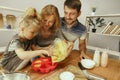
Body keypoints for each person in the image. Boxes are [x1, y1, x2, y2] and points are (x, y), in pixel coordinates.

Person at [0, 7, 50, 72]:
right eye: (32, 32)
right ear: (23, 29)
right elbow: (22, 55)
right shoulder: (16, 41)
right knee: (29, 54)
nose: (34, 35)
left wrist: (46, 49)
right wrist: (40, 52)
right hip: (8, 67)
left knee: (31, 53)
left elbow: (35, 48)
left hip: (19, 63)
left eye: (36, 32)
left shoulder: (29, 37)